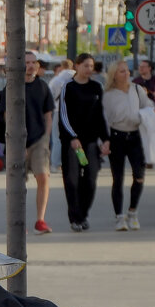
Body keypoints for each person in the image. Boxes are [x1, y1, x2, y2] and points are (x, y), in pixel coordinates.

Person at [0, 50, 55, 234]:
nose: (30, 66)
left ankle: (40, 220)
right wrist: (17, 141)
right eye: (27, 62)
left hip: (39, 141)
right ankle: (18, 222)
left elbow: (48, 115)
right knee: (17, 183)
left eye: (33, 62)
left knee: (43, 177)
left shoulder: (43, 87)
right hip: (18, 142)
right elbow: (6, 115)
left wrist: (45, 138)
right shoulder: (11, 87)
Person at [58, 54, 110, 232]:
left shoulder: (97, 87)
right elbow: (63, 116)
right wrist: (72, 137)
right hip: (74, 145)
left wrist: (105, 139)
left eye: (91, 66)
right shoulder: (69, 87)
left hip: (89, 144)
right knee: (72, 180)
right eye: (86, 66)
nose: (89, 69)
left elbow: (101, 116)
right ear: (77, 66)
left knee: (89, 179)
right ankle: (75, 217)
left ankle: (83, 214)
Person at [102, 60, 152, 231]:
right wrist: (104, 141)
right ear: (114, 74)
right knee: (118, 178)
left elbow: (149, 107)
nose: (126, 74)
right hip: (117, 136)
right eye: (122, 71)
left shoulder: (137, 90)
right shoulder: (108, 95)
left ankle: (133, 212)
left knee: (139, 175)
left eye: (127, 71)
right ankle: (119, 217)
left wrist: (146, 116)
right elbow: (105, 120)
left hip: (136, 136)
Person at [48, 58, 75, 170]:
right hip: (75, 112)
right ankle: (82, 161)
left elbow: (49, 97)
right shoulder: (77, 77)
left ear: (62, 66)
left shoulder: (56, 80)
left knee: (57, 138)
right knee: (77, 137)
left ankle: (55, 164)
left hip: (59, 111)